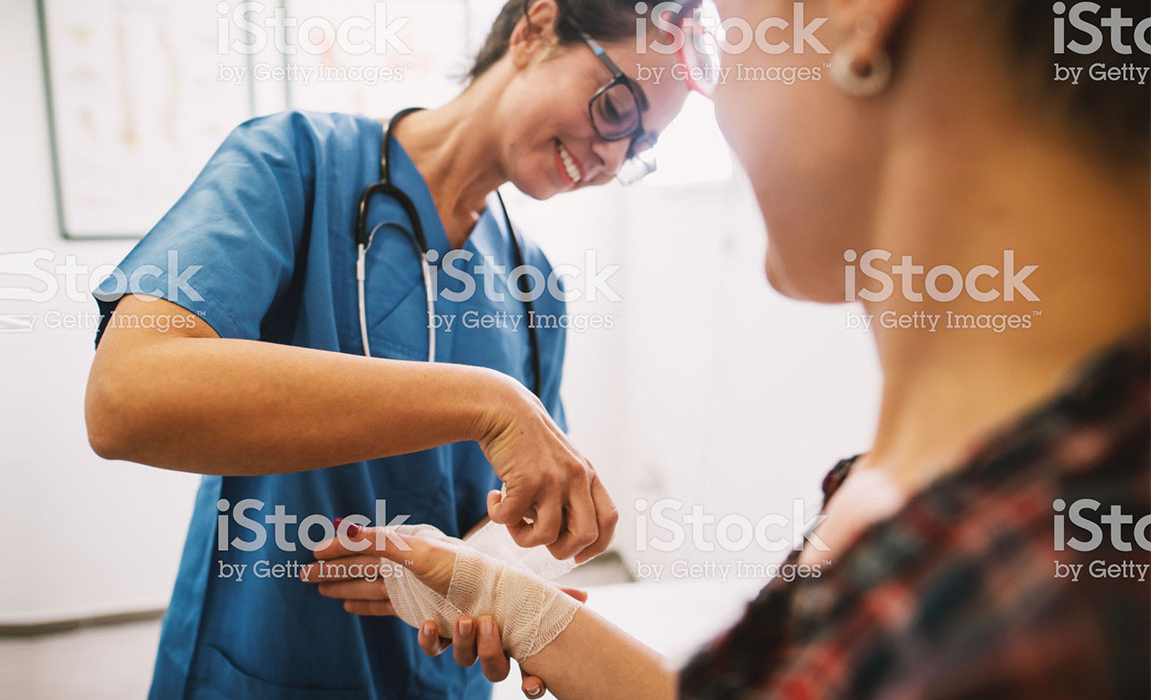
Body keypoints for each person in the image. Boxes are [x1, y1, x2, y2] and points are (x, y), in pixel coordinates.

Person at [322, 0, 1151, 697]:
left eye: (727, 29)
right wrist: (501, 596)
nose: (715, 102)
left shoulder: (1039, 599)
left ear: (858, 16)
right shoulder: (936, 510)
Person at [84, 0, 688, 697]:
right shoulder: (294, 162)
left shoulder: (535, 284)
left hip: (442, 674)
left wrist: (480, 571)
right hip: (266, 662)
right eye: (618, 110)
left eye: (639, 147)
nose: (612, 156)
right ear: (535, 29)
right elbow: (126, 397)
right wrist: (485, 402)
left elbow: (525, 515)